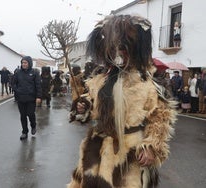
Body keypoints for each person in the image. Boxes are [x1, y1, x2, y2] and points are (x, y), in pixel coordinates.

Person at [67, 14, 177, 188]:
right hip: (95, 154)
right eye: (115, 48)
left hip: (129, 158)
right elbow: (92, 102)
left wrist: (151, 147)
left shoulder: (148, 82)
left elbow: (160, 118)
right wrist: (83, 106)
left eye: (123, 48)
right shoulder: (100, 78)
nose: (119, 53)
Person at [12, 56, 42, 140]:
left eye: (25, 63)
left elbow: (38, 86)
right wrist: (17, 90)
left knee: (30, 113)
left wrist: (38, 96)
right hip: (20, 98)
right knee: (23, 116)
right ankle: (24, 132)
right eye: (22, 63)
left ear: (29, 63)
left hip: (31, 98)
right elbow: (13, 83)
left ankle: (33, 125)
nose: (23, 64)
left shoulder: (34, 73)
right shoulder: (18, 73)